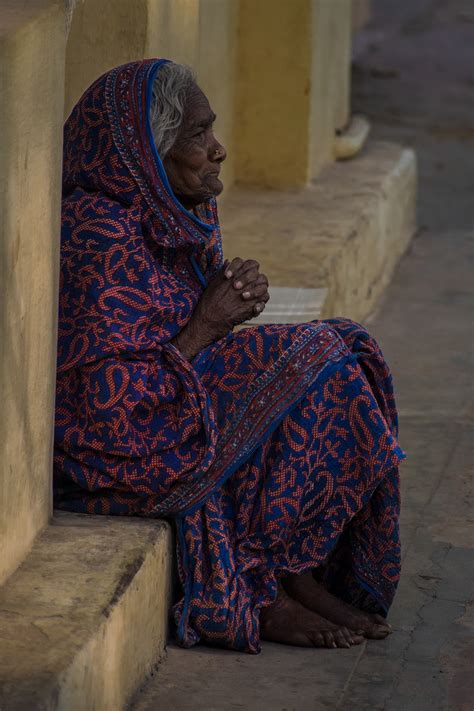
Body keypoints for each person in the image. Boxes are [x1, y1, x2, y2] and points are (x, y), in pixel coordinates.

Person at [54, 59, 404, 653]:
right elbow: (107, 418)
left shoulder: (175, 207)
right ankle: (262, 588)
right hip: (114, 448)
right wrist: (208, 323)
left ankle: (293, 568)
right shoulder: (97, 235)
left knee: (345, 349)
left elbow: (183, 325)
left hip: (176, 392)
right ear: (146, 151)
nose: (217, 150)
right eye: (197, 136)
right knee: (315, 356)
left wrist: (231, 302)